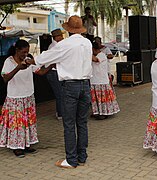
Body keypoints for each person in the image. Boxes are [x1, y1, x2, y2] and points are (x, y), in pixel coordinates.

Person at [26, 15, 92, 168]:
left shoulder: (65, 44)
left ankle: (71, 160)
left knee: (69, 124)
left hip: (70, 86)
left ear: (67, 30)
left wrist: (31, 61)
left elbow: (47, 57)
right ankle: (82, 157)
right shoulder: (87, 43)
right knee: (82, 122)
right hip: (85, 85)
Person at [0, 40, 54, 158]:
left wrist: (51, 65)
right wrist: (18, 68)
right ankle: (16, 147)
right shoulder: (8, 61)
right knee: (17, 124)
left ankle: (27, 144)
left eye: (27, 52)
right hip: (15, 98)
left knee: (27, 123)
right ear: (17, 50)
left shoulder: (28, 60)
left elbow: (41, 72)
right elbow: (5, 78)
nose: (25, 55)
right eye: (23, 52)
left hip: (28, 96)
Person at [90, 42, 120, 120]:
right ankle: (97, 111)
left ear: (94, 49)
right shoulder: (97, 55)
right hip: (95, 80)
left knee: (102, 98)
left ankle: (104, 112)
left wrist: (85, 53)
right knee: (96, 99)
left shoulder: (102, 55)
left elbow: (95, 60)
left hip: (101, 81)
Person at [46, 28, 64, 120]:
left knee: (61, 93)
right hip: (53, 72)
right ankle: (60, 113)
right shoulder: (53, 47)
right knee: (59, 94)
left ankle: (60, 112)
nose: (62, 37)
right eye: (60, 36)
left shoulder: (57, 46)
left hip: (57, 72)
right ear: (56, 37)